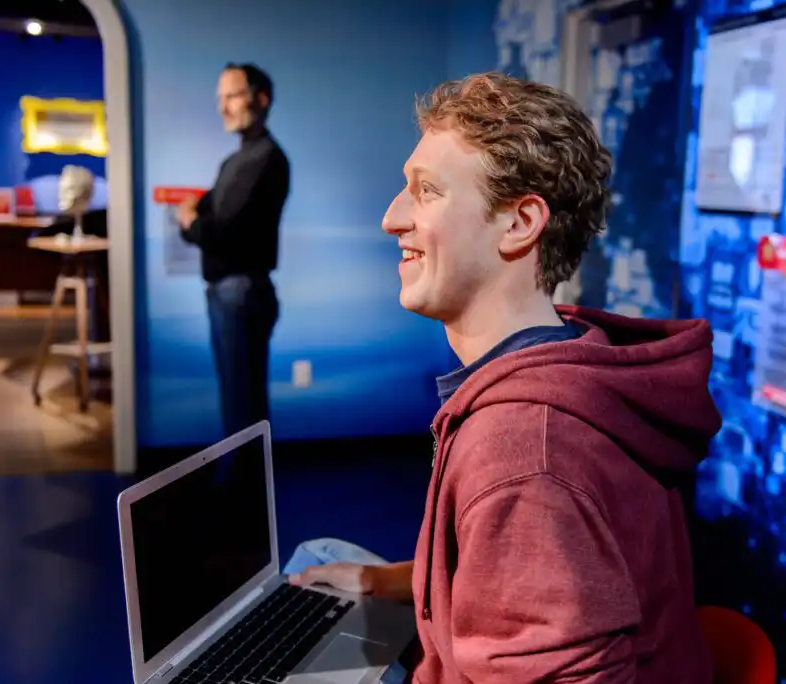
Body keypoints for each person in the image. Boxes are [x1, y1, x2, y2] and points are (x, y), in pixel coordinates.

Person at [286, 72, 722, 682]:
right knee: (322, 559)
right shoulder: (578, 354)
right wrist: (389, 582)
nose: (391, 218)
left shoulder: (521, 449)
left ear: (519, 224)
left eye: (427, 191)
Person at [176, 63, 290, 438]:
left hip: (241, 293)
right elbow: (206, 216)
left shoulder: (266, 159)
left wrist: (191, 222)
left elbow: (217, 230)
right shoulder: (235, 162)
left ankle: (244, 492)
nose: (223, 107)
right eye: (219, 99)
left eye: (232, 96)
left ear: (261, 99)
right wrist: (195, 220)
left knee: (243, 407)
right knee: (237, 401)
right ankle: (242, 487)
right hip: (228, 294)